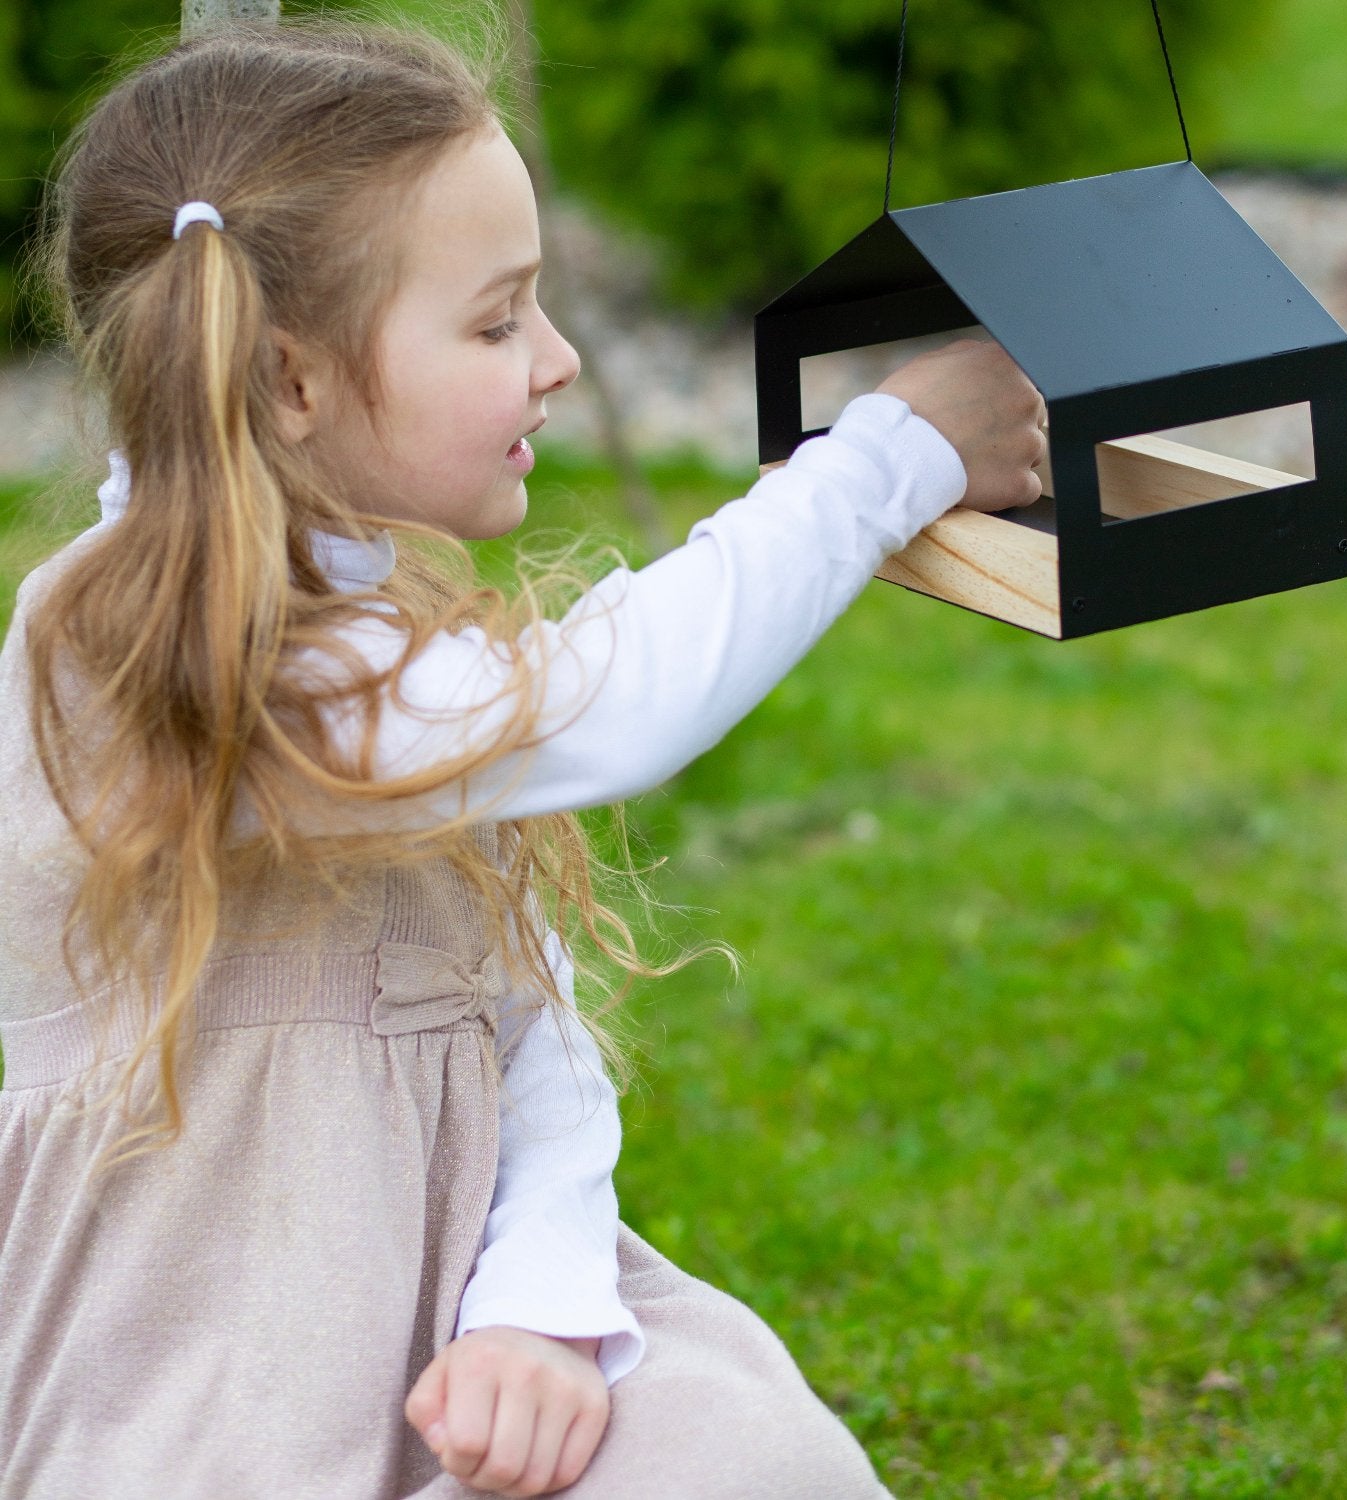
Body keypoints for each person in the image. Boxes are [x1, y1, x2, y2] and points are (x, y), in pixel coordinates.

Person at [0, 19, 1045, 1500]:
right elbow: (610, 704)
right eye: (497, 325)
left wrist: (540, 1308)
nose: (557, 363)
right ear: (291, 385)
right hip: (217, 1372)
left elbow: (527, 1029)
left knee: (750, 1458)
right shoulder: (141, 655)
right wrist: (882, 463)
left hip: (459, 1312)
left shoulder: (373, 629)